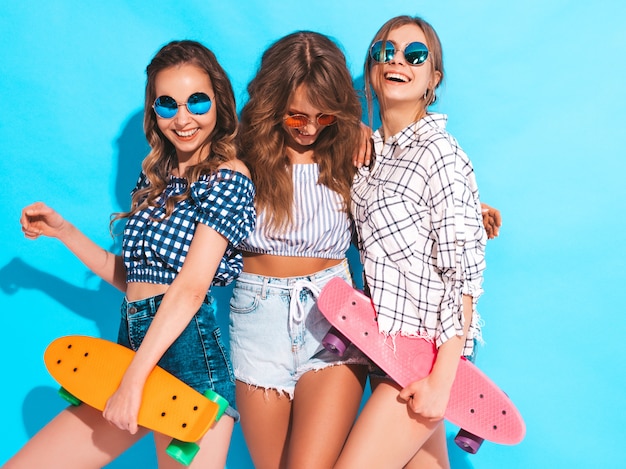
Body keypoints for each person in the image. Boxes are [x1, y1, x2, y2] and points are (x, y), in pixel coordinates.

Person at [7, 40, 255, 469]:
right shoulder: (154, 175)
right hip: (133, 350)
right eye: (167, 104)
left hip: (188, 361)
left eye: (197, 101)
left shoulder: (228, 177)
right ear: (153, 110)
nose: (183, 118)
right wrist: (64, 232)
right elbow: (134, 279)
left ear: (219, 101)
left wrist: (133, 381)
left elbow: (192, 288)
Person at [336, 16, 488, 468]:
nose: (397, 61)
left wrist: (442, 379)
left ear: (432, 79)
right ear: (372, 69)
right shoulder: (367, 155)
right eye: (386, 52)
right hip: (382, 347)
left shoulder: (442, 154)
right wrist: (351, 130)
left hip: (427, 350)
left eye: (414, 55)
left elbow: (463, 275)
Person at [228, 31, 372, 469]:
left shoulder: (354, 149)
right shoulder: (238, 156)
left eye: (324, 116)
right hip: (256, 321)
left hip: (333, 317)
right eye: (296, 116)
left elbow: (409, 202)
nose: (310, 128)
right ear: (273, 104)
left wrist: (467, 210)